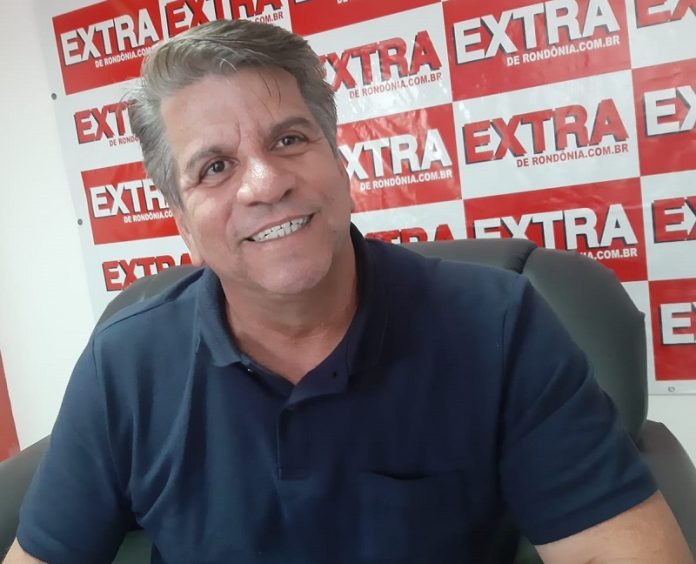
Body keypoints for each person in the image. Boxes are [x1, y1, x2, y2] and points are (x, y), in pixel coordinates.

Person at [4, 18, 693, 564]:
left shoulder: (500, 324)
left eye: (289, 140)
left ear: (340, 166)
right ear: (183, 222)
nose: (264, 184)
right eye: (214, 167)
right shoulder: (124, 363)